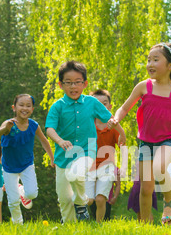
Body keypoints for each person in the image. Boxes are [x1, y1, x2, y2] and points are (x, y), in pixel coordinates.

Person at [109, 42, 171, 224]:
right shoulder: (144, 86)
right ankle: (145, 225)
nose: (150, 64)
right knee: (146, 189)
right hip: (146, 141)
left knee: (160, 168)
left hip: (170, 139)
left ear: (170, 65)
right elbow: (125, 107)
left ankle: (168, 203)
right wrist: (116, 118)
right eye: (148, 60)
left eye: (156, 60)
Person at [45, 61, 126, 223]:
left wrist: (121, 133)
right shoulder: (57, 107)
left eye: (77, 82)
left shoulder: (91, 102)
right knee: (63, 198)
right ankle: (69, 227)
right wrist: (59, 140)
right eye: (68, 83)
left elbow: (110, 119)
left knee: (77, 174)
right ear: (61, 85)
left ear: (85, 84)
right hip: (63, 157)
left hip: (87, 152)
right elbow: (49, 129)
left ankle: (81, 202)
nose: (73, 86)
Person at [0, 94, 54, 224]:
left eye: (28, 106)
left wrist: (51, 157)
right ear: (14, 107)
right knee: (13, 200)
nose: (24, 108)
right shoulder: (9, 123)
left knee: (32, 194)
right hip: (9, 167)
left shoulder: (33, 125)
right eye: (21, 105)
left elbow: (44, 141)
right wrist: (6, 128)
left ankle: (21, 190)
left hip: (27, 164)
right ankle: (18, 224)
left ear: (32, 109)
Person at [85, 89, 126, 222]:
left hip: (106, 168)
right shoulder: (87, 125)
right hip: (88, 168)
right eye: (97, 103)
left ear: (110, 107)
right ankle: (81, 217)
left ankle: (98, 225)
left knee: (100, 198)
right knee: (89, 200)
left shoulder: (113, 127)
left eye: (104, 103)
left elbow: (122, 145)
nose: (101, 107)